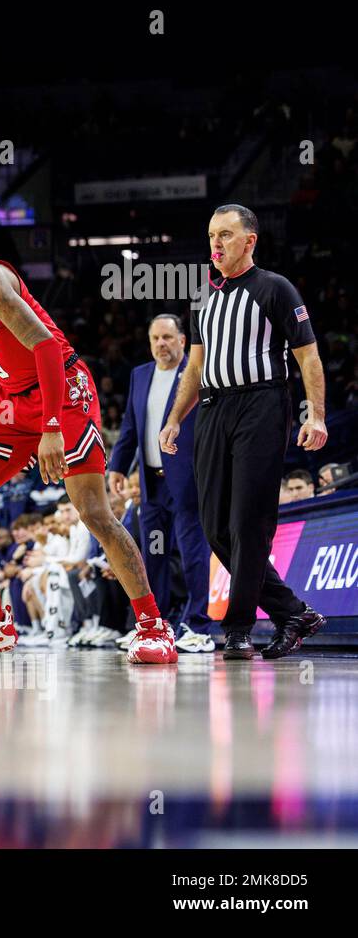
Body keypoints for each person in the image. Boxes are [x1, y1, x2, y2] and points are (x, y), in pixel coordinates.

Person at [0, 197, 173, 663]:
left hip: (62, 389)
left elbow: (44, 346)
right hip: (12, 399)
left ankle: (152, 626)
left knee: (93, 512)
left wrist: (49, 428)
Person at [160, 204, 329, 660]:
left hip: (262, 405)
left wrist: (315, 414)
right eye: (212, 235)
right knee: (215, 527)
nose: (216, 243)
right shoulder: (202, 298)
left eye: (227, 235)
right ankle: (293, 612)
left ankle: (237, 629)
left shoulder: (275, 288)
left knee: (248, 525)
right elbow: (194, 366)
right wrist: (175, 417)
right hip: (213, 409)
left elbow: (308, 357)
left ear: (249, 241)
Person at [107, 314, 215, 654]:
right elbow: (129, 427)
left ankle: (199, 626)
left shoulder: (197, 372)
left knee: (192, 553)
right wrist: (118, 467)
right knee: (153, 554)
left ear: (183, 340)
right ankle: (155, 626)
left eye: (168, 337)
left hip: (187, 481)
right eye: (155, 338)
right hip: (151, 484)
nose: (161, 344)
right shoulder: (140, 375)